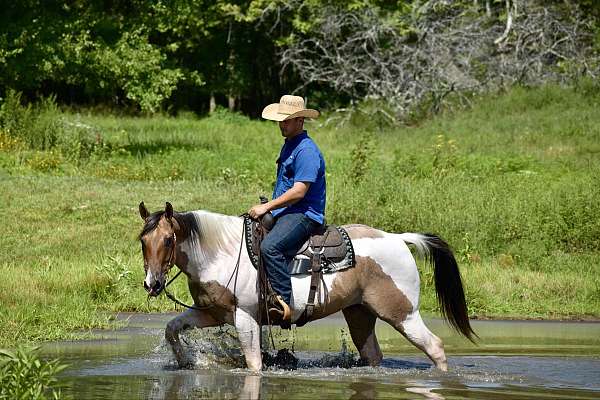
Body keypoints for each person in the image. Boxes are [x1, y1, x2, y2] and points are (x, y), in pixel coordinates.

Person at [248, 95, 326, 321]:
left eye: (287, 120)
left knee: (270, 247)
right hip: (287, 212)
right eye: (281, 120)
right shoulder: (290, 145)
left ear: (300, 120)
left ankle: (282, 302)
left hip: (304, 214)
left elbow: (300, 191)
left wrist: (267, 207)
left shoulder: (306, 150)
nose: (282, 124)